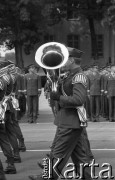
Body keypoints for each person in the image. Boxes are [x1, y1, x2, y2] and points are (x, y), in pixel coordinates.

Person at [29, 47, 93, 180]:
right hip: (69, 120)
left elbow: (79, 100)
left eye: (64, 59)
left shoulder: (79, 76)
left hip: (71, 120)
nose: (62, 62)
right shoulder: (70, 76)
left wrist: (59, 97)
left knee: (58, 152)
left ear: (71, 60)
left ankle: (47, 176)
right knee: (81, 157)